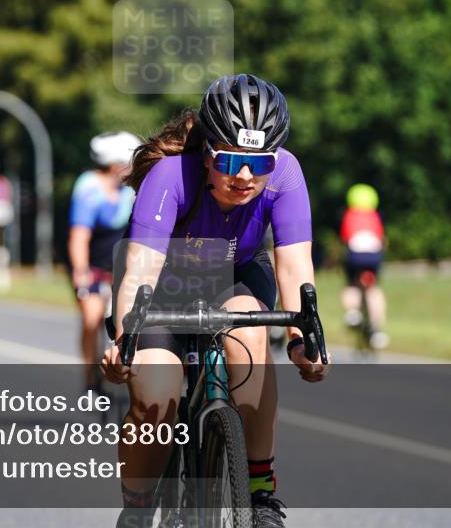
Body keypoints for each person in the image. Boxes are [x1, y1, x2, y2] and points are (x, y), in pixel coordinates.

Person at [100, 74, 329, 528]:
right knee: (157, 395)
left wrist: (306, 339)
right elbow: (140, 272)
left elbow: (294, 268)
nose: (245, 177)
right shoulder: (170, 176)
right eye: (229, 160)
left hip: (236, 274)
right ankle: (138, 505)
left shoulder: (286, 173)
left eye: (259, 163)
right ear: (207, 153)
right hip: (162, 283)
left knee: (250, 333)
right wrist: (125, 342)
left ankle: (261, 496)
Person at [68, 131, 142, 395]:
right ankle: (90, 380)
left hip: (122, 265)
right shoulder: (89, 187)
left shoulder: (128, 189)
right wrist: (81, 271)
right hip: (93, 264)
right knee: (92, 317)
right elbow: (79, 235)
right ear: (115, 164)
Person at [339, 183, 389, 349]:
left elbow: (345, 239)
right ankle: (377, 329)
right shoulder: (375, 216)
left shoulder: (349, 215)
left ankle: (352, 313)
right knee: (373, 288)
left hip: (355, 255)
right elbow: (382, 239)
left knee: (352, 284)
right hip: (374, 256)